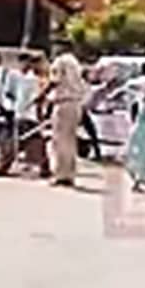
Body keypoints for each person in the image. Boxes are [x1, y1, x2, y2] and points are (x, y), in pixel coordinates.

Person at [0, 57, 45, 178]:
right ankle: (3, 165)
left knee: (35, 140)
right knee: (17, 140)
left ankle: (44, 166)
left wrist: (39, 114)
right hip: (18, 111)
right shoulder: (13, 75)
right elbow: (7, 93)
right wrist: (9, 108)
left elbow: (38, 98)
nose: (27, 64)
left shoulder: (34, 79)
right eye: (25, 62)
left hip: (30, 113)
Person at [48, 45, 89, 187]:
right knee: (71, 141)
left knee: (59, 141)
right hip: (76, 104)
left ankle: (60, 174)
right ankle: (70, 174)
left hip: (63, 103)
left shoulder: (60, 62)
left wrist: (41, 96)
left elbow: (54, 81)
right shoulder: (75, 63)